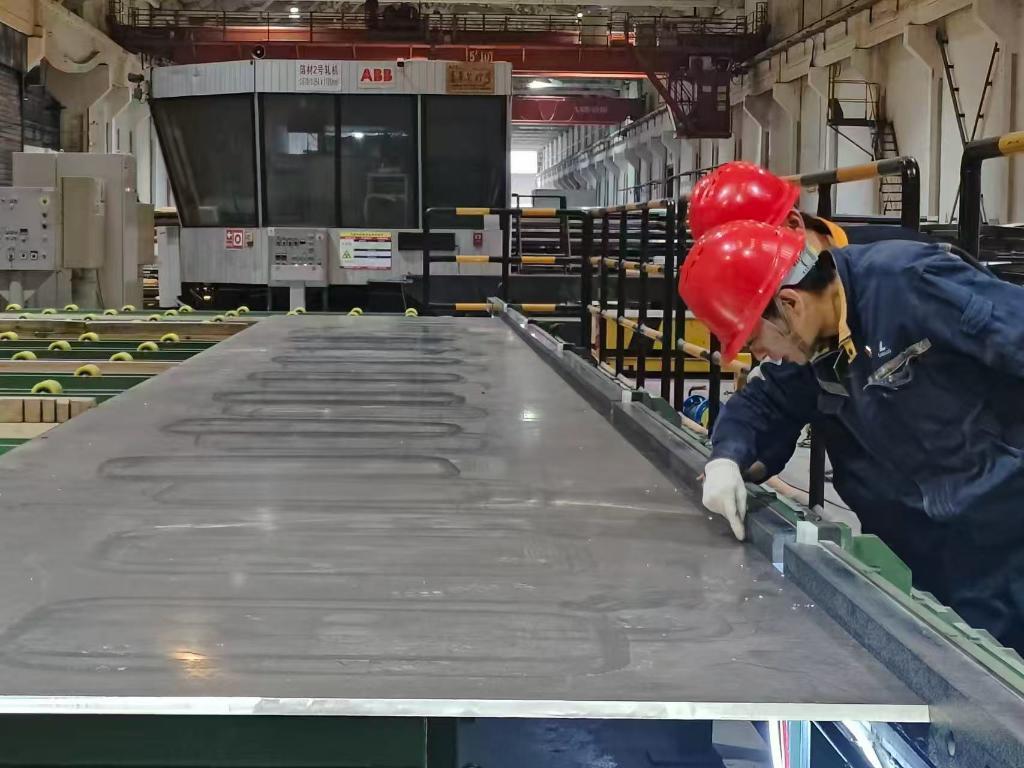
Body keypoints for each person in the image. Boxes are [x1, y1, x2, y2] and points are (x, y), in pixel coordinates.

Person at [679, 219, 1024, 651]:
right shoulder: (814, 348)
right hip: (923, 559)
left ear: (790, 304)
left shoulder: (910, 283)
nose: (761, 354)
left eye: (754, 340)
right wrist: (726, 458)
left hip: (1006, 541)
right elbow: (763, 404)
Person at [686, 161, 948, 596]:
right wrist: (729, 457)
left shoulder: (903, 273)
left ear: (793, 224)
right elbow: (773, 395)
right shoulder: (797, 322)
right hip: (899, 526)